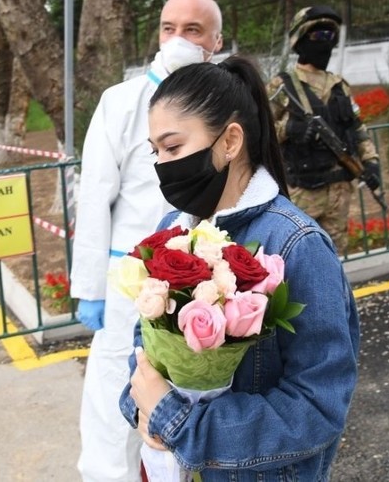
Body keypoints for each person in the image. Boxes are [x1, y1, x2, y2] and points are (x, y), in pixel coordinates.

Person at [119, 56, 360, 480]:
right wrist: (140, 406)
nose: (163, 165)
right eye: (155, 152)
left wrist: (179, 424)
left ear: (230, 141)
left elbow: (318, 406)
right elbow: (146, 343)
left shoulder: (297, 245)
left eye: (173, 148)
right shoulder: (171, 230)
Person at [72, 0, 223, 482]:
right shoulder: (121, 102)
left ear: (216, 41)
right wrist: (91, 288)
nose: (178, 39)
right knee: (115, 390)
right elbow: (95, 196)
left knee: (190, 395)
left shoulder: (226, 104)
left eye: (193, 30)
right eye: (168, 28)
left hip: (204, 280)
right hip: (128, 280)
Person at [266, 5, 381, 254]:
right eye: (318, 35)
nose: (325, 42)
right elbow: (259, 132)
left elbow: (357, 128)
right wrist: (289, 129)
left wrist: (371, 162)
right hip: (302, 191)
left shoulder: (340, 86)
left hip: (339, 192)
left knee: (335, 257)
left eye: (330, 36)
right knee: (297, 256)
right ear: (300, 40)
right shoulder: (282, 85)